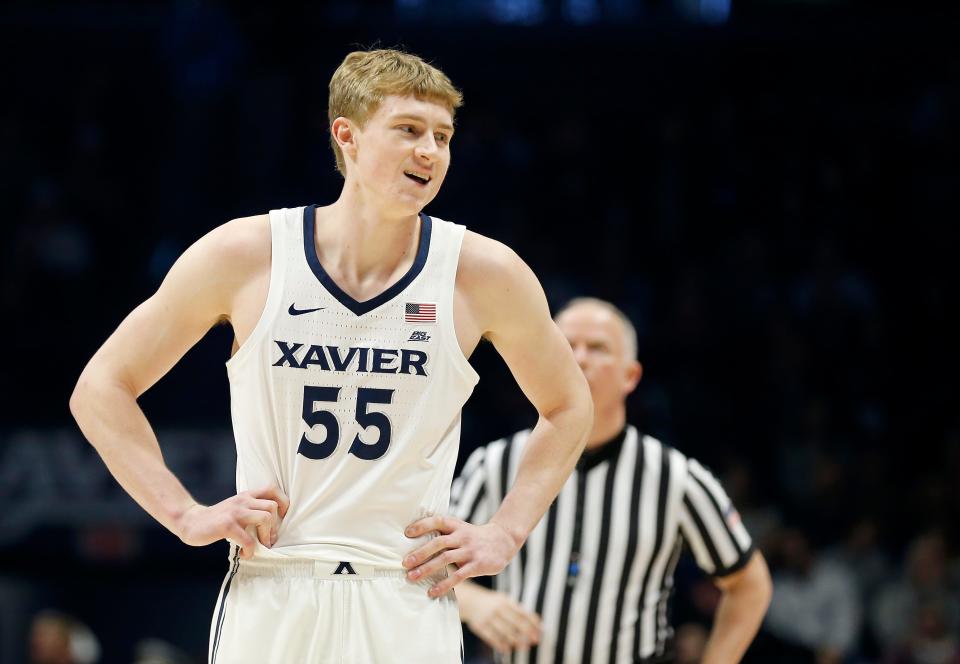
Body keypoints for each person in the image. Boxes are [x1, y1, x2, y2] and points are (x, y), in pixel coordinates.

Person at [69, 49, 592, 663]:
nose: (431, 151)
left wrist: (506, 532)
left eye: (443, 136)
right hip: (275, 583)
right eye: (409, 130)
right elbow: (101, 388)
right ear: (347, 135)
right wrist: (184, 514)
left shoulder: (484, 273)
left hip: (405, 587)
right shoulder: (248, 254)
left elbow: (568, 404)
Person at [451, 297, 772, 663]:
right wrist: (476, 603)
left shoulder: (676, 478)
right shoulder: (495, 463)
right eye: (567, 345)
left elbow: (750, 585)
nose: (580, 358)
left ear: (630, 376)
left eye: (598, 348)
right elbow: (426, 561)